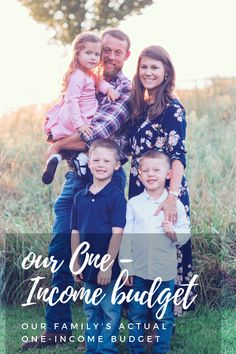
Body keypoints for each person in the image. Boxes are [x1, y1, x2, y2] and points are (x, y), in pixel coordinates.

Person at [22, 28, 131, 351]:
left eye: (116, 52)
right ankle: (57, 329)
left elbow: (95, 135)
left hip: (106, 182)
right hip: (75, 181)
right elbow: (58, 115)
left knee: (102, 258)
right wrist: (56, 141)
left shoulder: (123, 90)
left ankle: (114, 326)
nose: (108, 57)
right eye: (104, 50)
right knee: (59, 250)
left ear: (126, 55)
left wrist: (55, 147)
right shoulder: (82, 78)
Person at [127, 45, 194, 315]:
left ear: (166, 72)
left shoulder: (172, 108)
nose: (148, 72)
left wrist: (172, 197)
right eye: (144, 67)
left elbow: (178, 155)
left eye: (155, 67)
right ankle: (143, 307)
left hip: (166, 189)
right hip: (140, 185)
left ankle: (169, 311)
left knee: (167, 244)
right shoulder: (141, 106)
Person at [119, 151, 191, 354]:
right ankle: (136, 350)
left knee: (164, 316)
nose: (151, 174)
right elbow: (127, 237)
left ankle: (161, 349)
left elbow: (185, 234)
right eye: (146, 171)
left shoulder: (174, 204)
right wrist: (126, 267)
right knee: (137, 314)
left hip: (164, 272)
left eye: (156, 170)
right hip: (139, 272)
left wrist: (173, 233)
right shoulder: (134, 204)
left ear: (168, 174)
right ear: (139, 175)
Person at [71, 139, 126, 353]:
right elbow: (75, 232)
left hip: (108, 267)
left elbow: (117, 233)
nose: (101, 164)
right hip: (87, 265)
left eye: (106, 160)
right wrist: (75, 261)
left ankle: (106, 349)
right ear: (89, 163)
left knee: (110, 310)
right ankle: (91, 349)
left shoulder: (116, 197)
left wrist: (107, 265)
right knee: (90, 310)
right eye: (96, 160)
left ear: (116, 165)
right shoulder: (80, 197)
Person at [42, 32, 119, 185]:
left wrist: (109, 89)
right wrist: (80, 124)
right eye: (88, 53)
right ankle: (81, 160)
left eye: (97, 54)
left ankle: (57, 158)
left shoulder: (89, 74)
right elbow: (71, 101)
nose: (93, 57)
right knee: (92, 138)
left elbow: (99, 83)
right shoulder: (77, 75)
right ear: (77, 54)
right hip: (77, 117)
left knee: (85, 141)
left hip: (84, 114)